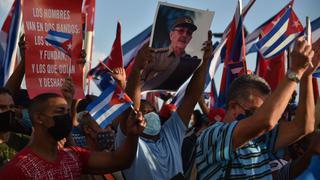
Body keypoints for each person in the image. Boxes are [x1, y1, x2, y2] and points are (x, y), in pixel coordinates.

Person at [195, 37, 320, 179]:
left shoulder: (261, 139)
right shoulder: (213, 135)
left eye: (264, 111)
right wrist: (295, 71)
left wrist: (306, 76)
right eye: (255, 112)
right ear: (233, 107)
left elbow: (304, 127)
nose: (260, 117)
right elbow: (266, 121)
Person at [0, 79, 146, 179]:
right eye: (59, 112)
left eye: (66, 111)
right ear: (39, 118)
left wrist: (133, 135)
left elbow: (120, 160)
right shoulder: (17, 169)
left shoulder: (74, 157)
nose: (65, 117)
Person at [115, 31, 213, 180]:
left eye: (152, 111)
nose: (150, 115)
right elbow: (130, 109)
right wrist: (137, 69)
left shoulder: (170, 134)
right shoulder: (129, 142)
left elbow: (191, 97)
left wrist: (204, 62)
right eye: (144, 113)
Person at [141, 16, 201, 91]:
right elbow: (140, 80)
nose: (185, 35)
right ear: (171, 35)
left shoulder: (190, 62)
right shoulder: (155, 55)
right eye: (181, 31)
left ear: (190, 39)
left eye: (188, 33)